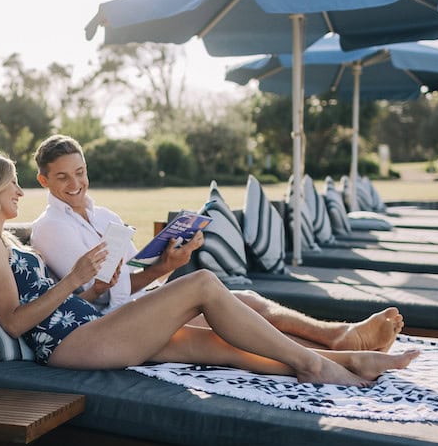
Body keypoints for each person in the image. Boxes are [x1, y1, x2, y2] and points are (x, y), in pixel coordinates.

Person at [0, 152, 419, 386]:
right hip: (69, 344)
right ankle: (313, 362)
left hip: (90, 325)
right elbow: (14, 321)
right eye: (10, 184)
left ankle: (347, 358)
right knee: (201, 283)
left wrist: (86, 286)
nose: (18, 192)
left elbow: (61, 300)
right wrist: (75, 279)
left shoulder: (6, 242)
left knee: (224, 343)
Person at [30, 134, 404, 352]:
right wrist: (112, 283)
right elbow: (91, 298)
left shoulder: (105, 216)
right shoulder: (50, 229)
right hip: (108, 325)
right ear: (44, 181)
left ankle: (337, 335)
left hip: (135, 306)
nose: (75, 183)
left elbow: (129, 279)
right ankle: (338, 347)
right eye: (62, 177)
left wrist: (166, 265)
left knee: (247, 301)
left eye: (80, 172)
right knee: (223, 315)